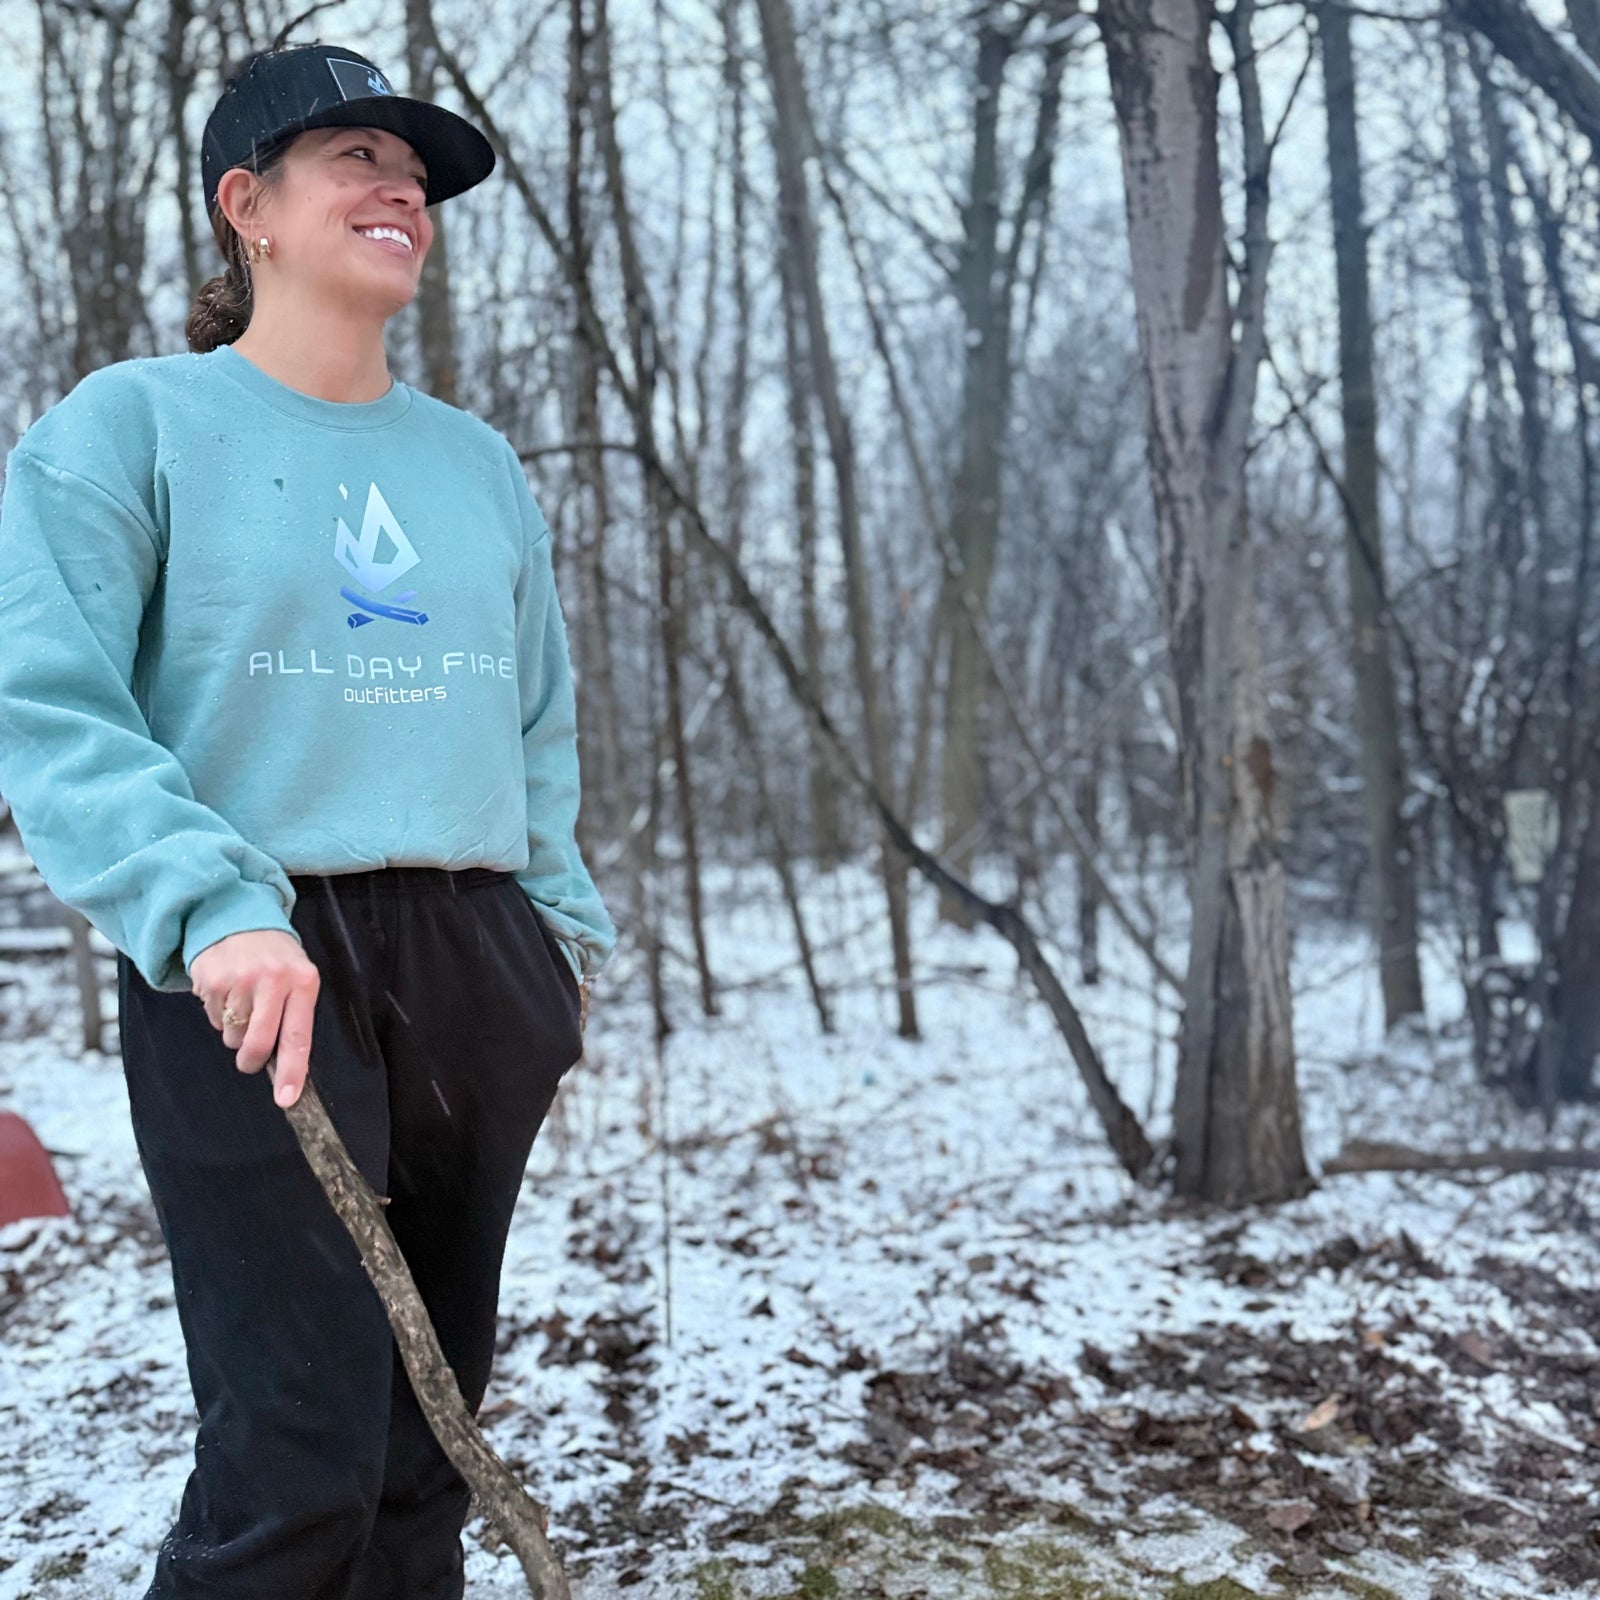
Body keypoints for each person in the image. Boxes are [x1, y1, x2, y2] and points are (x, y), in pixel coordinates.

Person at [0, 39, 615, 1600]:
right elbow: (51, 702)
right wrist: (209, 905)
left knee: (425, 1442)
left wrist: (558, 940)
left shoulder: (474, 464)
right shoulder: (126, 428)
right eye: (355, 157)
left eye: (415, 174)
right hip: (256, 960)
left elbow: (533, 719)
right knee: (297, 1453)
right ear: (246, 205)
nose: (399, 187)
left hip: (479, 955)